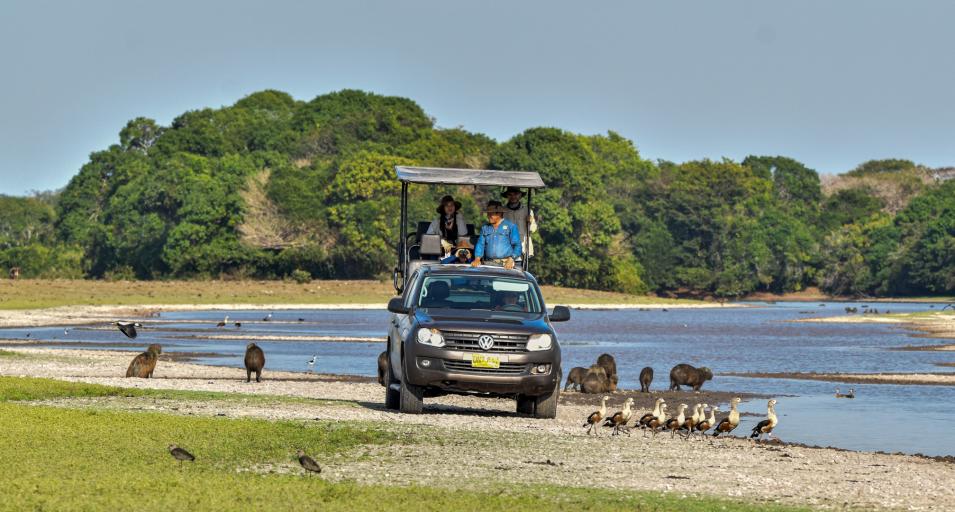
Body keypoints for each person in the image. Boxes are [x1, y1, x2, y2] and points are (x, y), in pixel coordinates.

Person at [472, 201, 521, 269]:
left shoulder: (511, 226)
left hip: (506, 265)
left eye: (491, 214)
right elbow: (480, 244)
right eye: (488, 214)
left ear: (499, 214)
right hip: (488, 263)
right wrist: (477, 259)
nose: (488, 216)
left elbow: (517, 245)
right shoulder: (485, 228)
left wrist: (511, 259)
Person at [501, 187, 537, 258]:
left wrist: (530, 221)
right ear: (507, 196)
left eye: (516, 194)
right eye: (510, 194)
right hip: (507, 248)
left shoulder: (528, 211)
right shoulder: (502, 211)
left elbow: (533, 229)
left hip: (523, 248)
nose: (513, 197)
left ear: (520, 195)